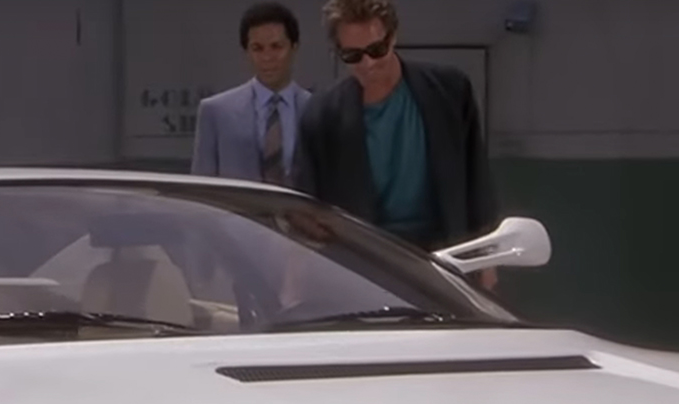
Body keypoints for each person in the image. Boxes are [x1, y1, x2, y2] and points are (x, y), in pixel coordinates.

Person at [292, 0, 500, 289]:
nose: (368, 64)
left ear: (393, 37)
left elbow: (476, 179)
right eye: (352, 55)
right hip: (364, 264)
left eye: (377, 50)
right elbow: (305, 205)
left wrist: (487, 262)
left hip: (445, 256)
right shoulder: (323, 115)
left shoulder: (449, 91)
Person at [191, 2, 312, 185]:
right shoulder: (215, 112)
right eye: (257, 48)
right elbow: (201, 191)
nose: (267, 57)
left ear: (294, 47)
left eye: (276, 46)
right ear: (246, 52)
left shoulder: (317, 110)